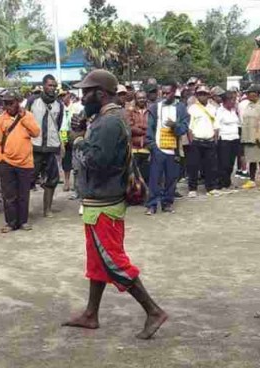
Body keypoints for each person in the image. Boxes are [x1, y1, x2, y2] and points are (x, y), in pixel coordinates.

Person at [63, 69, 167, 340]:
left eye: (86, 92)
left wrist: (78, 139)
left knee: (112, 261)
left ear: (100, 94)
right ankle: (91, 314)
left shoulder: (108, 122)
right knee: (98, 262)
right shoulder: (107, 118)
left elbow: (96, 162)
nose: (82, 97)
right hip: (100, 201)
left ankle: (153, 311)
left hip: (104, 203)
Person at [0, 90, 40, 233]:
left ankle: (23, 221)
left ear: (17, 103)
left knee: (23, 194)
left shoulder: (28, 116)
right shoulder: (1, 119)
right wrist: (0, 158)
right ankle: (11, 222)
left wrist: (23, 118)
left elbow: (36, 132)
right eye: (6, 103)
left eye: (11, 103)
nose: (8, 106)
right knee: (9, 195)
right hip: (7, 162)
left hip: (25, 162)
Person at [145, 81, 189, 215]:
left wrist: (175, 126)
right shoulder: (155, 108)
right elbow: (150, 128)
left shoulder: (181, 108)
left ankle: (167, 203)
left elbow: (184, 128)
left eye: (167, 93)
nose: (164, 95)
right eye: (162, 93)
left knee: (171, 178)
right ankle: (152, 205)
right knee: (155, 178)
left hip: (173, 150)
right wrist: (153, 146)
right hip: (158, 149)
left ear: (174, 92)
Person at [26, 75, 64, 218]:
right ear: (43, 86)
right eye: (49, 85)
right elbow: (25, 121)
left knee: (52, 179)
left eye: (54, 86)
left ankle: (47, 209)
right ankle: (24, 210)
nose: (52, 88)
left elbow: (58, 124)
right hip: (34, 146)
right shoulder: (33, 101)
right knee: (28, 179)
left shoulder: (59, 104)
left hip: (51, 147)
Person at [186, 85, 220, 197]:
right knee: (193, 166)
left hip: (210, 140)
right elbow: (190, 128)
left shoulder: (213, 108)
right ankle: (192, 189)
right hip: (196, 141)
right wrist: (191, 142)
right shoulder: (192, 108)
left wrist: (215, 140)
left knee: (211, 166)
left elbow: (216, 126)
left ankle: (211, 187)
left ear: (208, 95)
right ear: (196, 96)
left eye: (204, 94)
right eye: (200, 94)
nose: (202, 96)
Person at [215, 90, 241, 190]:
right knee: (223, 163)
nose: (234, 102)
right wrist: (216, 141)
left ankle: (228, 181)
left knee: (231, 162)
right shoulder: (220, 111)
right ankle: (221, 182)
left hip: (234, 138)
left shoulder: (234, 110)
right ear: (225, 101)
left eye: (235, 100)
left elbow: (238, 123)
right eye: (232, 100)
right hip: (224, 139)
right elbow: (216, 126)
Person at [126, 91, 150, 184]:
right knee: (133, 177)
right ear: (135, 99)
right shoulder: (130, 111)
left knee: (146, 176)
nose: (142, 100)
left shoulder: (150, 111)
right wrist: (145, 131)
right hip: (134, 148)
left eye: (143, 98)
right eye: (139, 98)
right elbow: (130, 127)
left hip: (147, 148)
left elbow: (152, 126)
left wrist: (139, 126)